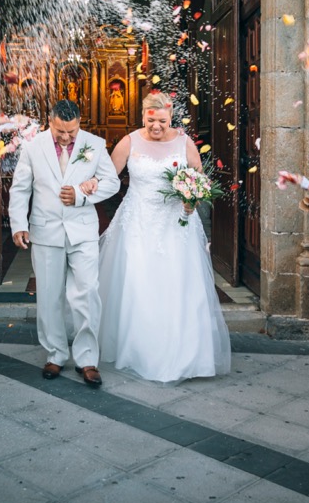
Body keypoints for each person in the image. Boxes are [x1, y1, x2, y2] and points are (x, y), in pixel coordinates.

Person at [97, 92, 231, 383]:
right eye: (150, 119)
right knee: (138, 283)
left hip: (176, 223)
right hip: (137, 223)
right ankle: (139, 349)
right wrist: (85, 189)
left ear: (171, 117)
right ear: (142, 115)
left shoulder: (184, 142)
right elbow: (108, 177)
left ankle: (183, 354)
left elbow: (199, 178)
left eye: (162, 120)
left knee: (177, 283)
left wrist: (192, 200)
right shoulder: (129, 141)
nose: (156, 126)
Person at [8, 100, 120, 387]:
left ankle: (87, 359)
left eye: (72, 131)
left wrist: (83, 196)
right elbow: (20, 188)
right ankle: (56, 354)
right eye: (60, 131)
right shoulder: (33, 147)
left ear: (79, 123)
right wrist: (19, 224)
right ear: (50, 120)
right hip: (45, 231)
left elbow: (112, 182)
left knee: (86, 294)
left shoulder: (94, 144)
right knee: (49, 296)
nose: (67, 137)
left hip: (82, 232)